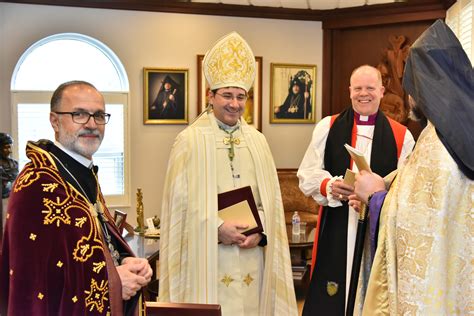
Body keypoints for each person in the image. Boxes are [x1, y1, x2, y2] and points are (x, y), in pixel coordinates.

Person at [158, 32, 297, 316]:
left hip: (251, 256)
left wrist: (262, 234)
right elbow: (179, 208)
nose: (234, 103)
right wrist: (216, 228)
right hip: (207, 258)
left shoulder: (257, 141)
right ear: (210, 95)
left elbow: (270, 203)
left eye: (240, 96)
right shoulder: (189, 141)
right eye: (227, 95)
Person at [350, 20, 473, 315]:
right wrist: (389, 183)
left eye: (410, 88)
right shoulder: (457, 131)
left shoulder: (436, 144)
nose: (408, 98)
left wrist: (376, 197)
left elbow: (417, 229)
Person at [0, 81, 152, 315]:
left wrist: (124, 261)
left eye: (99, 115)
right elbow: (38, 280)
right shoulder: (36, 183)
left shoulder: (84, 172)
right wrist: (114, 281)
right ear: (54, 121)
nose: (92, 124)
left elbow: (94, 244)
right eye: (79, 114)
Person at [297, 64, 415, 315]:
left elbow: (407, 187)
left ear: (382, 91)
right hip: (337, 221)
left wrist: (376, 198)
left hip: (377, 226)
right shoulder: (327, 127)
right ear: (349, 90)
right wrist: (329, 185)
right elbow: (306, 173)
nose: (364, 93)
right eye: (358, 88)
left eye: (370, 88)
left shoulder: (402, 136)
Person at [0, 133, 19, 230]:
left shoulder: (14, 164)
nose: (10, 151)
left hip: (9, 198)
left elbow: (13, 177)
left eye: (10, 147)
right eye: (6, 147)